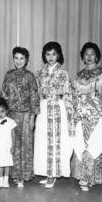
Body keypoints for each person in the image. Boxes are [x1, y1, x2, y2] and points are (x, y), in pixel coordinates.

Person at [71, 42, 102, 191]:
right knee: (80, 145)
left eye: (92, 54)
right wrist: (75, 113)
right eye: (86, 54)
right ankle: (82, 177)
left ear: (97, 56)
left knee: (94, 145)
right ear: (83, 57)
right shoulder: (79, 76)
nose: (89, 57)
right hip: (81, 116)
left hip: (97, 116)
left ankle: (89, 179)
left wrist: (100, 114)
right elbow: (75, 96)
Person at [33, 42, 74, 189]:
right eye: (48, 54)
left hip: (57, 107)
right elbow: (36, 94)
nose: (51, 57)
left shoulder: (63, 73)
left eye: (54, 54)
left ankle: (53, 174)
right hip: (43, 108)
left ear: (59, 55)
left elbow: (68, 94)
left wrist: (70, 115)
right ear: (44, 56)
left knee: (55, 140)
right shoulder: (40, 73)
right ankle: (47, 172)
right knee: (43, 140)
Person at [0, 46, 40, 187]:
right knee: (12, 145)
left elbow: (34, 97)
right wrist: (2, 115)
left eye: (21, 58)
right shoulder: (8, 74)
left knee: (25, 145)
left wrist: (32, 118)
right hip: (11, 115)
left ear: (26, 60)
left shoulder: (29, 76)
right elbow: (3, 95)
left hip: (25, 115)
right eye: (16, 58)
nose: (18, 61)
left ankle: (24, 175)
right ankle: (14, 174)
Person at [0, 98, 17, 188]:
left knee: (7, 163)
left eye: (2, 111)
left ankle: (6, 180)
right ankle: (0, 179)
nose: (0, 114)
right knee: (0, 164)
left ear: (7, 111)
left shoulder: (11, 122)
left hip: (7, 146)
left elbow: (13, 135)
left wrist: (13, 146)